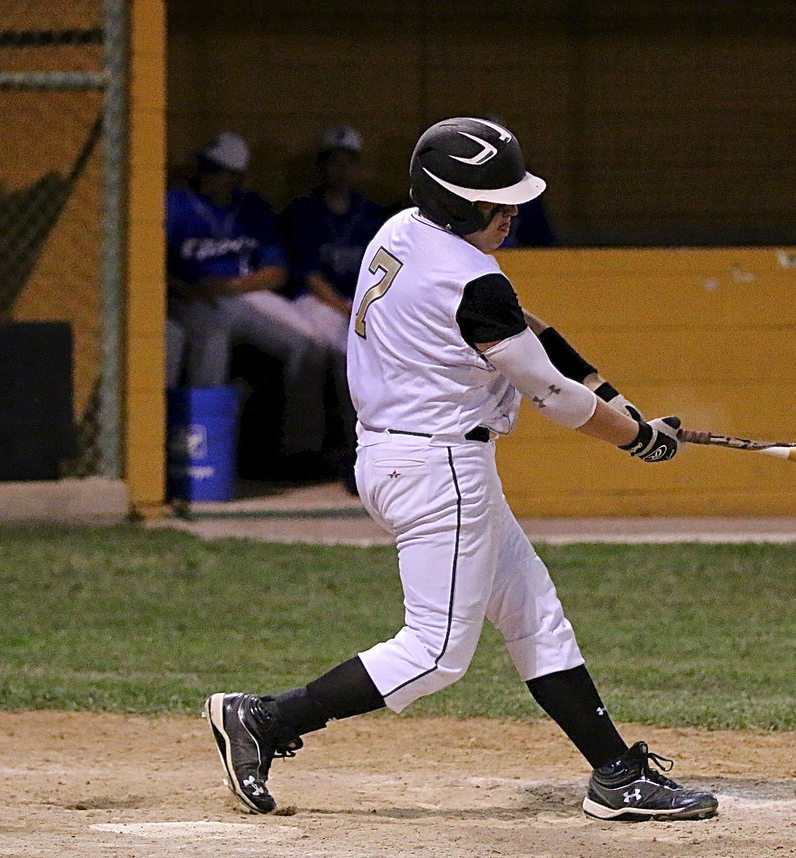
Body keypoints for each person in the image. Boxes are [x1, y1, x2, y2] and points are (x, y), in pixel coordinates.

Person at [206, 116, 717, 822]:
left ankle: (615, 773)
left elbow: (526, 328)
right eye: (495, 201)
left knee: (532, 609)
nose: (511, 211)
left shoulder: (403, 231)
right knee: (436, 652)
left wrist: (611, 393)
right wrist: (635, 437)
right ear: (452, 200)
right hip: (437, 466)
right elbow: (550, 395)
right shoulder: (473, 280)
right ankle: (264, 718)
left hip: (403, 455)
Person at [165, 131, 334, 467]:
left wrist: (229, 287)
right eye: (205, 167)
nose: (206, 175)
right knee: (211, 335)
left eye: (217, 170)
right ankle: (198, 445)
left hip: (242, 294)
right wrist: (193, 289)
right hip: (192, 299)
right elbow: (153, 268)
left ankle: (300, 452)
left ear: (236, 176)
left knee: (310, 344)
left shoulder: (251, 207)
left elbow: (277, 272)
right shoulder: (176, 204)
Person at [281, 125, 387, 488]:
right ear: (321, 167)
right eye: (333, 162)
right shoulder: (303, 211)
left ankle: (363, 452)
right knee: (332, 351)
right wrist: (347, 310)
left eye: (348, 163)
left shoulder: (372, 214)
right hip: (318, 303)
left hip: (363, 303)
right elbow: (308, 274)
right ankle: (305, 452)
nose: (340, 170)